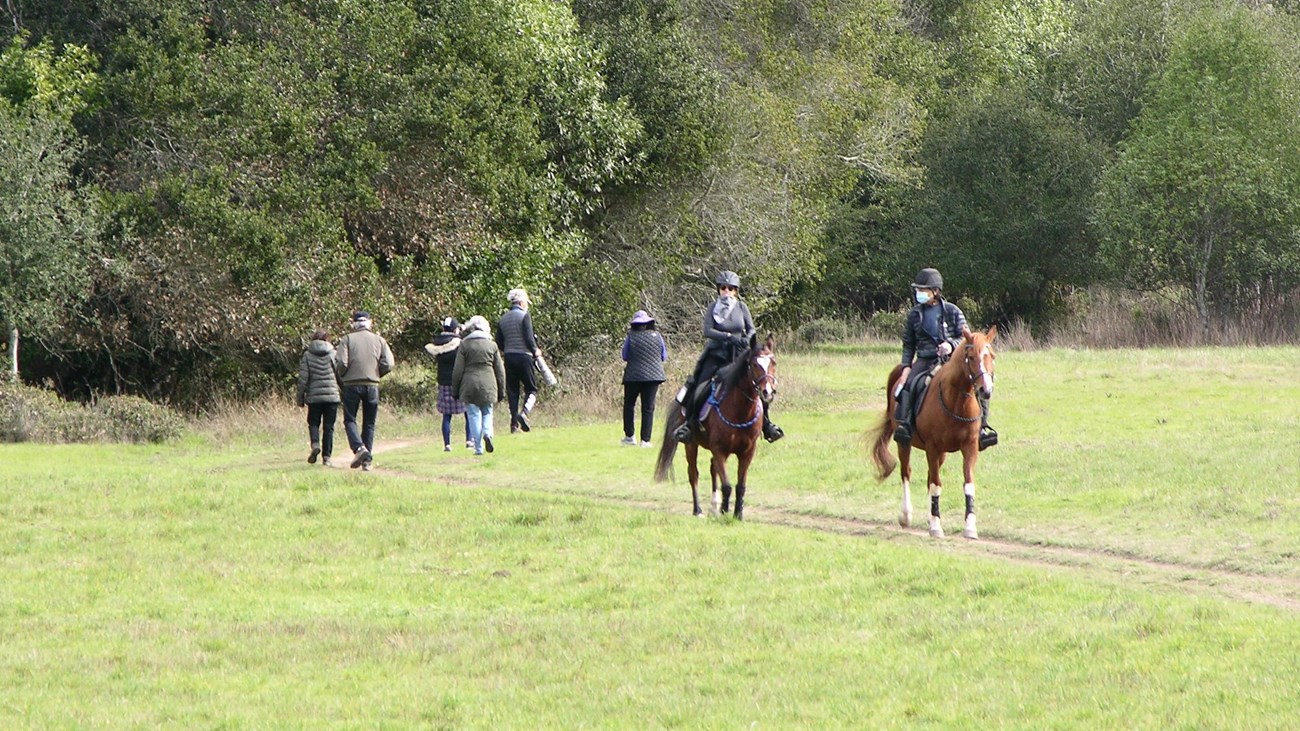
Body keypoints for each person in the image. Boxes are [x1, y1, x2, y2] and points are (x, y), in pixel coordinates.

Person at [673, 270, 784, 444]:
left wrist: (747, 339)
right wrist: (728, 337)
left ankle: (767, 425)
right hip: (716, 354)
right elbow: (707, 330)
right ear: (718, 289)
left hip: (739, 355)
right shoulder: (712, 308)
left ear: (736, 291)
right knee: (700, 386)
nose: (727, 291)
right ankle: (689, 424)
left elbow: (751, 328)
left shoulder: (741, 307)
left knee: (758, 386)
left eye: (731, 288)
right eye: (723, 288)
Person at [892, 267, 997, 449]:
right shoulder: (914, 314)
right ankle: (906, 425)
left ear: (935, 291)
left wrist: (950, 344)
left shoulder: (953, 311)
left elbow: (967, 340)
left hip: (952, 361)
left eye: (923, 290)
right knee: (910, 384)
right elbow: (908, 344)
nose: (919, 294)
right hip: (925, 360)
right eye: (918, 290)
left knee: (981, 382)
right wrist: (906, 367)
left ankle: (982, 428)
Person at [336, 310, 395, 470]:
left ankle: (359, 448)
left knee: (350, 419)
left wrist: (344, 375)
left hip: (351, 385)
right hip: (372, 385)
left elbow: (341, 362)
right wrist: (376, 373)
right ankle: (366, 461)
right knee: (369, 423)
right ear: (370, 322)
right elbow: (389, 363)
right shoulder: (379, 340)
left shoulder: (347, 339)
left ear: (354, 323)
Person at [452, 315, 506, 456]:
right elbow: (500, 371)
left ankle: (478, 448)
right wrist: (502, 390)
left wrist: (455, 390)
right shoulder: (492, 345)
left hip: (469, 384)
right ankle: (488, 434)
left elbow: (458, 370)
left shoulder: (464, 344)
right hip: (488, 383)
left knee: (473, 415)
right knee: (487, 412)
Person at [496, 287, 541, 433]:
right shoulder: (524, 316)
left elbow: (499, 342)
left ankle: (514, 424)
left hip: (509, 357)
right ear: (521, 302)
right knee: (532, 389)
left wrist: (508, 349)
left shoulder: (503, 318)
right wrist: (535, 350)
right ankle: (524, 413)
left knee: (513, 391)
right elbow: (529, 338)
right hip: (525, 357)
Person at [620, 309, 668, 447]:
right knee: (648, 408)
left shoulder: (631, 336)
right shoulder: (657, 336)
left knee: (629, 405)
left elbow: (625, 355)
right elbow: (664, 356)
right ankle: (645, 440)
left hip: (633, 376)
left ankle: (630, 437)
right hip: (653, 376)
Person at [425, 317, 473, 452]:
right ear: (454, 329)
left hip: (443, 381)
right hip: (459, 380)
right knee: (468, 412)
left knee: (446, 415)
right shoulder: (459, 343)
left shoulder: (436, 344)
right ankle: (469, 441)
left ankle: (447, 444)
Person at [296, 329, 342, 466]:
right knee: (329, 427)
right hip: (332, 396)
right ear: (327, 339)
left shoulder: (307, 356)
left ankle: (315, 444)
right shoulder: (333, 354)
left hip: (314, 397)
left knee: (314, 423)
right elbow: (340, 375)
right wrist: (346, 391)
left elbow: (303, 379)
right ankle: (327, 457)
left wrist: (300, 398)